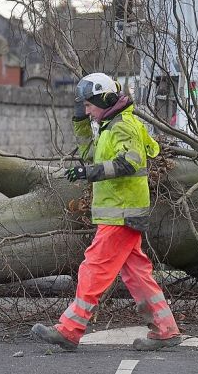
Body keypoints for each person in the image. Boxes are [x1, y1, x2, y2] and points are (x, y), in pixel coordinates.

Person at [31, 73, 181, 352]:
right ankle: (166, 329)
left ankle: (70, 329)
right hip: (122, 214)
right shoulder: (111, 126)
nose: (87, 109)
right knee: (138, 275)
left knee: (93, 269)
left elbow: (129, 162)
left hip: (121, 215)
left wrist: (89, 173)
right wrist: (80, 123)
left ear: (104, 99)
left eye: (89, 105)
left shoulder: (123, 126)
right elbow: (91, 155)